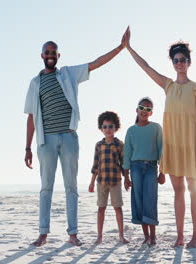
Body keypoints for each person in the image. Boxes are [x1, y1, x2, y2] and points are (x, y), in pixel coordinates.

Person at [24, 34, 126, 247]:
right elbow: (32, 117)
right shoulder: (35, 83)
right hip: (46, 141)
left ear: (58, 56)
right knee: (46, 188)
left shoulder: (69, 74)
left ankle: (73, 233)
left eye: (54, 52)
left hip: (69, 137)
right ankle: (43, 233)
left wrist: (120, 48)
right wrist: (27, 147)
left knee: (71, 187)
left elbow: (95, 63)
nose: (51, 55)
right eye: (47, 52)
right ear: (42, 55)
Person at [122, 27, 196, 248]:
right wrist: (128, 48)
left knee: (194, 189)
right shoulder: (167, 85)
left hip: (191, 145)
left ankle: (195, 236)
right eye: (175, 60)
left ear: (189, 62)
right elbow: (146, 67)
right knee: (178, 191)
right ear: (172, 62)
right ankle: (180, 237)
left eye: (182, 59)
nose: (179, 63)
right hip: (172, 146)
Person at [122, 97, 164, 246]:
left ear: (151, 113)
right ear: (137, 110)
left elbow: (161, 150)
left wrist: (162, 172)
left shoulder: (156, 128)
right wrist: (126, 177)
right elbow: (127, 154)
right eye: (142, 107)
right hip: (136, 168)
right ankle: (146, 236)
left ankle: (153, 237)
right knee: (138, 200)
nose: (144, 111)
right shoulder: (131, 130)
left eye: (148, 109)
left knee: (150, 200)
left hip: (152, 168)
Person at [88, 111, 131, 245]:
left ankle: (121, 235)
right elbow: (95, 165)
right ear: (101, 129)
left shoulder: (119, 145)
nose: (108, 129)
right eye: (105, 127)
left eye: (111, 126)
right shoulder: (98, 145)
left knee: (118, 208)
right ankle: (99, 236)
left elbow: (124, 164)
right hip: (101, 181)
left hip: (115, 181)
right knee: (101, 208)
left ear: (116, 128)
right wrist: (91, 183)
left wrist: (126, 179)